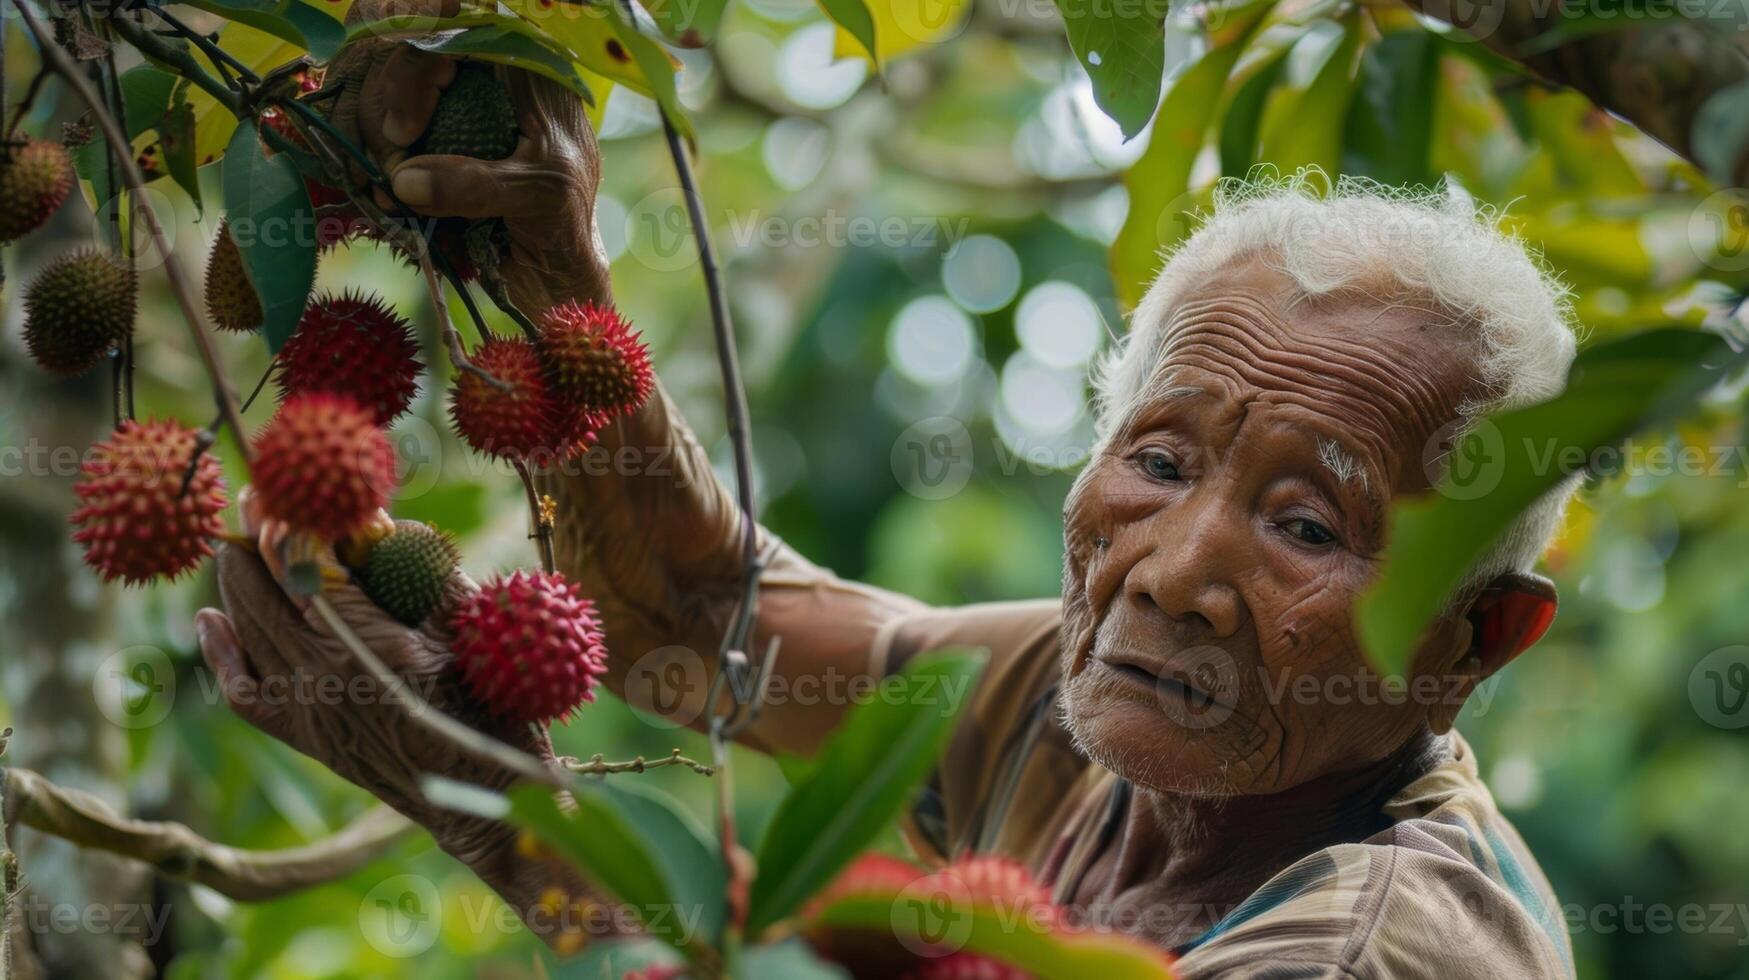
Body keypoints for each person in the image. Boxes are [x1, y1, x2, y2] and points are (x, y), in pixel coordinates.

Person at [195, 26, 1580, 977]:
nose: (1170, 573)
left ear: (1472, 641)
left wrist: (510, 820)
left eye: (1307, 529)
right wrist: (546, 261)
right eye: (1157, 462)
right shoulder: (1080, 702)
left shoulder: (1377, 942)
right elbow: (696, 610)